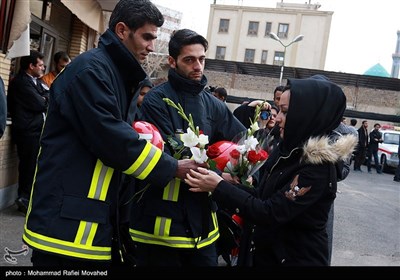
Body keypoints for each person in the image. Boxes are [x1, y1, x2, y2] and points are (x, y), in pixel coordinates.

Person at [22, 0, 203, 267]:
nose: (152, 46)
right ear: (121, 30)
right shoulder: (91, 71)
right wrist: (171, 166)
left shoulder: (115, 73)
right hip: (66, 233)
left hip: (86, 224)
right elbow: (112, 139)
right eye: (147, 37)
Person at [185, 75, 357, 266]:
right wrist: (221, 181)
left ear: (306, 114)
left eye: (285, 112)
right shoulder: (288, 150)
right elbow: (262, 196)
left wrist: (219, 187)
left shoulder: (318, 166)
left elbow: (270, 212)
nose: (278, 119)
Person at [130, 28, 246, 267]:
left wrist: (243, 168)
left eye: (201, 59)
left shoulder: (214, 105)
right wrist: (219, 176)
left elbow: (240, 142)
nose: (198, 66)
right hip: (161, 228)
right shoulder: (157, 100)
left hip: (203, 226)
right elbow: (172, 156)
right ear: (172, 62)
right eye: (189, 60)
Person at [7, 50, 49, 215]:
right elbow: (39, 104)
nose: (42, 68)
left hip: (37, 130)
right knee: (28, 166)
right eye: (39, 65)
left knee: (35, 167)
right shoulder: (21, 82)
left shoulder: (37, 82)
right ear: (31, 66)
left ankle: (29, 198)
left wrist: (44, 99)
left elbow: (49, 96)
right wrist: (44, 100)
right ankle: (23, 199)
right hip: (27, 132)